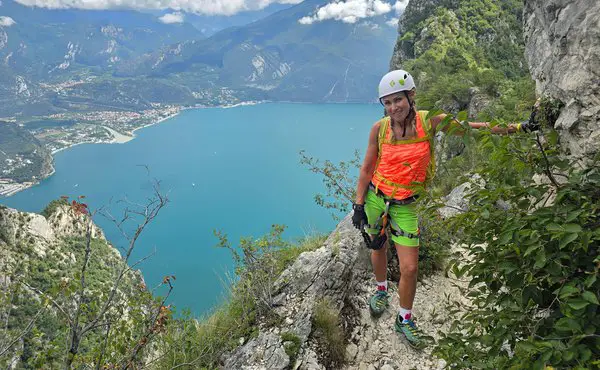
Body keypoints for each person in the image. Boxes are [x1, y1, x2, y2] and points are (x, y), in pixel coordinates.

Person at [351, 69, 538, 348]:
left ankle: (404, 319)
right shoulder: (380, 129)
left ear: (411, 95)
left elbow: (474, 127)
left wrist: (518, 127)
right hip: (377, 197)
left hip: (407, 206)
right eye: (387, 103)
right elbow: (367, 167)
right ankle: (381, 290)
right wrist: (359, 203)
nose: (393, 108)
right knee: (377, 246)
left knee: (410, 267)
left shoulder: (430, 121)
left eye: (397, 100)